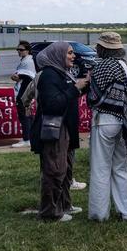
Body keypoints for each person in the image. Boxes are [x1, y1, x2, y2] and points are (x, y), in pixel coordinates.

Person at [29, 42, 89, 221]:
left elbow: (69, 94)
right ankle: (50, 213)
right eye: (69, 53)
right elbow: (52, 104)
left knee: (65, 170)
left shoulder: (61, 73)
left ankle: (64, 205)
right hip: (54, 130)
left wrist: (84, 83)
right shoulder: (49, 76)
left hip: (65, 129)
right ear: (58, 55)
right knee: (55, 170)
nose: (73, 56)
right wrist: (75, 87)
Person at [87, 32, 127, 221]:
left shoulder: (101, 67)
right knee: (122, 168)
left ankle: (99, 214)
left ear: (104, 48)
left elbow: (93, 97)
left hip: (104, 121)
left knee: (101, 168)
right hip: (124, 121)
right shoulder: (125, 66)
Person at [10, 40, 37, 147]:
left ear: (28, 51)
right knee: (27, 115)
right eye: (18, 49)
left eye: (21, 50)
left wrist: (15, 76)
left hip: (25, 93)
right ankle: (29, 137)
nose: (19, 51)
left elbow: (20, 76)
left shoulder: (27, 62)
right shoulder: (26, 60)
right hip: (26, 92)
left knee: (24, 116)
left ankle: (27, 139)